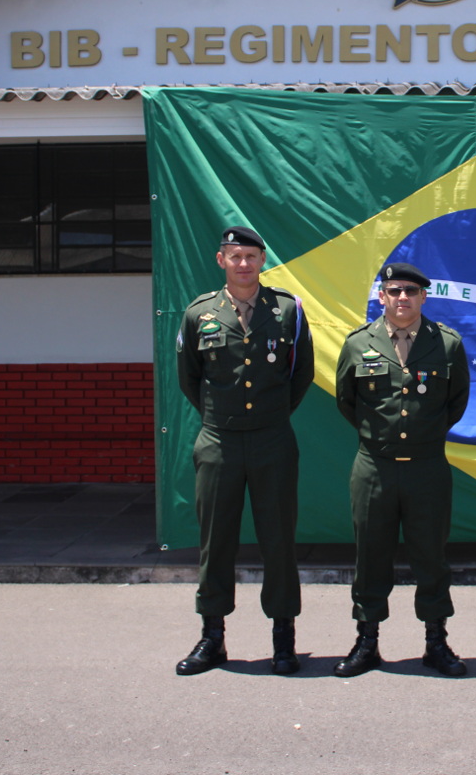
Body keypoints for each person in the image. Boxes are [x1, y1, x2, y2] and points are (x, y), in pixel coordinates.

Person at [173, 226, 314, 676]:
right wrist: (226, 418)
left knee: (279, 541)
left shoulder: (288, 311)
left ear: (262, 260)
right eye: (235, 256)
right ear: (221, 260)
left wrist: (268, 417)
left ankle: (283, 640)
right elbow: (189, 378)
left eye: (251, 256)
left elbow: (301, 374)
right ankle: (211, 638)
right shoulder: (200, 313)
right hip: (219, 442)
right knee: (216, 543)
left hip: (272, 440)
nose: (244, 264)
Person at [333, 262, 471, 677]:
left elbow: (456, 402)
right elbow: (347, 400)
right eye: (394, 291)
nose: (402, 298)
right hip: (374, 466)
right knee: (370, 557)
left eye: (411, 291)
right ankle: (366, 641)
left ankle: (436, 642)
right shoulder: (359, 343)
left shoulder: (446, 344)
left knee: (431, 556)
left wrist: (421, 437)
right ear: (383, 297)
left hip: (427, 468)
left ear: (424, 297)